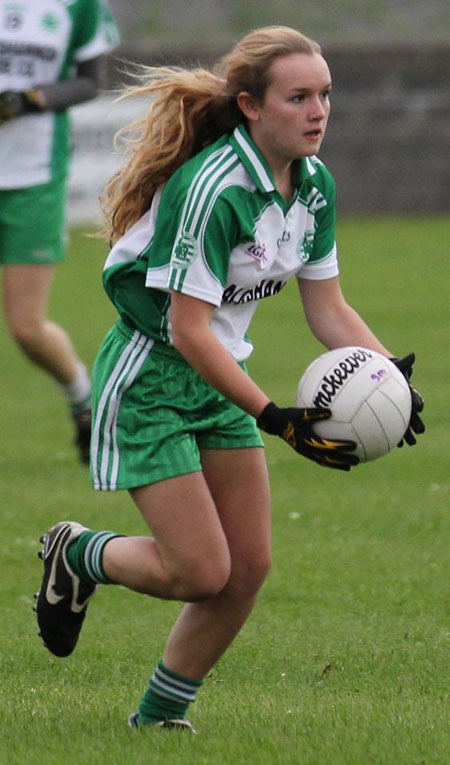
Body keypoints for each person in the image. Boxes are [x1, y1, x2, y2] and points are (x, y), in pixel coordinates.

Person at [34, 26, 425, 732]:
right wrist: (273, 415)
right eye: (298, 97)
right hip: (151, 379)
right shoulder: (212, 188)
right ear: (249, 105)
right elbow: (188, 329)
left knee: (246, 567)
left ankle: (158, 719)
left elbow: (328, 308)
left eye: (326, 96)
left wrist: (389, 376)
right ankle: (80, 550)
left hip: (219, 379)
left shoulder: (313, 186)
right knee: (199, 571)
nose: (319, 111)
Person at [0, 0, 119, 463]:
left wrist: (30, 99)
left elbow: (90, 81)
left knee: (27, 328)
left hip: (33, 179)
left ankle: (82, 398)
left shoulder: (78, 5)